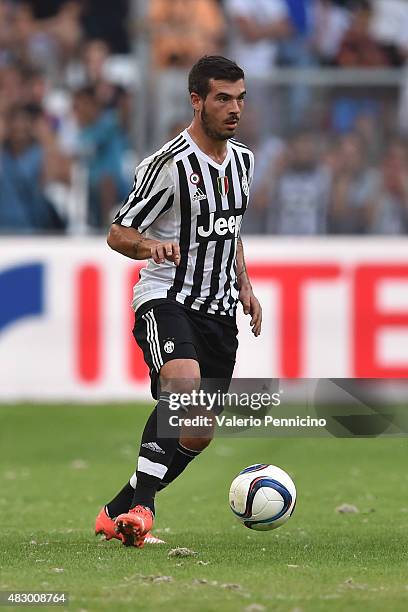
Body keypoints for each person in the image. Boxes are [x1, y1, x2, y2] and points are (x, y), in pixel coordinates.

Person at [95, 55, 262, 548]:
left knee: (197, 432)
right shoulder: (168, 165)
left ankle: (119, 508)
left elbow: (230, 233)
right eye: (223, 98)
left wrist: (245, 285)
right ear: (197, 101)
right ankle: (145, 509)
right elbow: (118, 233)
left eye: (240, 99)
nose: (234, 109)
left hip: (219, 309)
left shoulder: (244, 161)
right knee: (182, 387)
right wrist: (151, 247)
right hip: (166, 296)